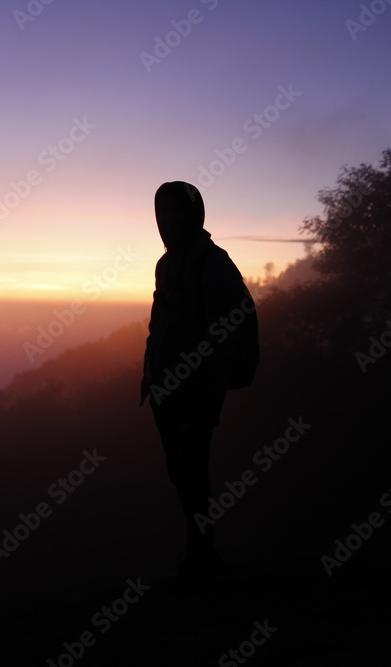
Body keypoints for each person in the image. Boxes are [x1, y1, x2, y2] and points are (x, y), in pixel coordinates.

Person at [140, 181, 256, 583]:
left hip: (194, 391)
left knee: (191, 471)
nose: (170, 219)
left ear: (195, 216)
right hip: (166, 390)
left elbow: (227, 327)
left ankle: (202, 557)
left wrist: (206, 382)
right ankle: (200, 554)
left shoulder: (212, 262)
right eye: (164, 212)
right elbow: (161, 327)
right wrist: (150, 379)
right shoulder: (166, 263)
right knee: (182, 472)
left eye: (178, 212)